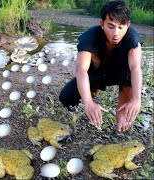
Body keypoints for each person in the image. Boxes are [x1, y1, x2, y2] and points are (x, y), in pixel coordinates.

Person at [59, 0, 142, 132]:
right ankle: (93, 91)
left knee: (129, 75)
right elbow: (81, 70)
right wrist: (88, 102)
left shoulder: (132, 39)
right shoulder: (90, 37)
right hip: (97, 73)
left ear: (128, 25)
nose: (116, 33)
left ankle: (121, 114)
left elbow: (136, 69)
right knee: (66, 98)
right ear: (102, 24)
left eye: (121, 27)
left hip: (120, 74)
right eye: (111, 26)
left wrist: (136, 99)